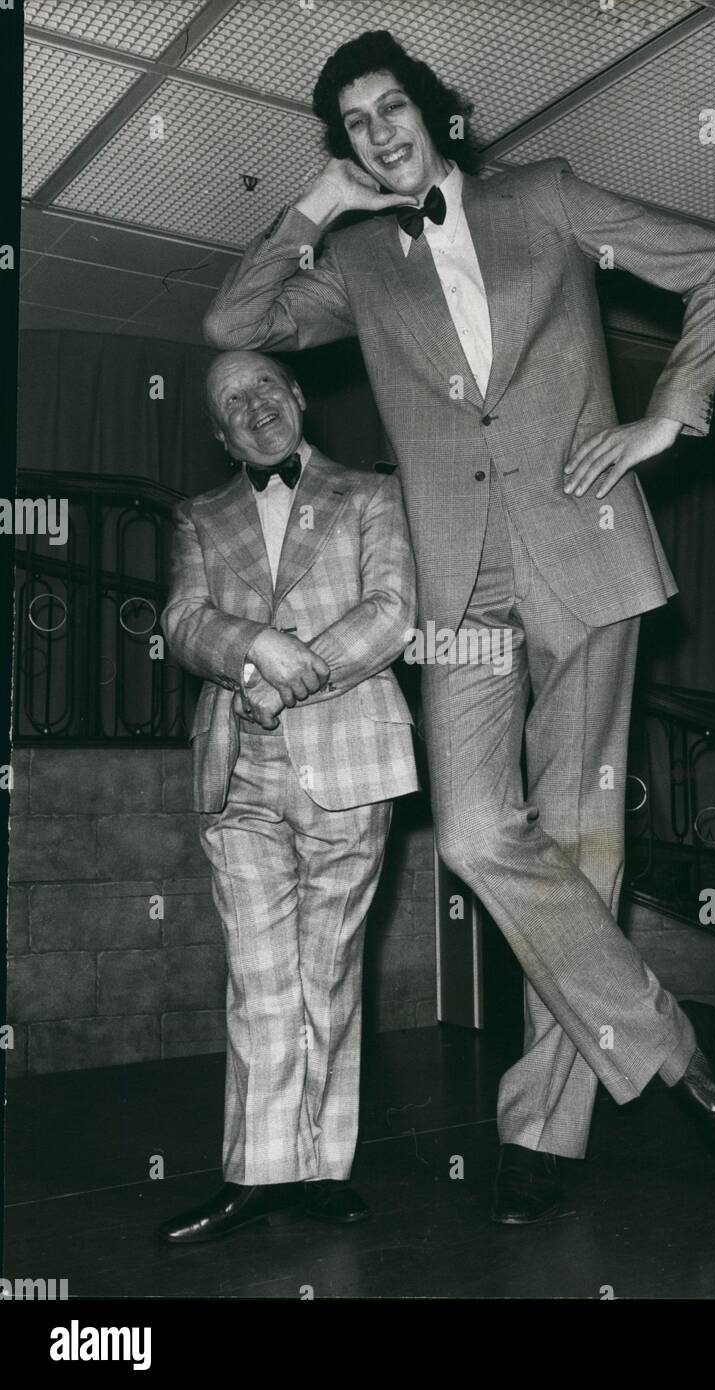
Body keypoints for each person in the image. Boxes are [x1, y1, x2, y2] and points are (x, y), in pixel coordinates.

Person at [203, 30, 715, 1224]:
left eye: (390, 107)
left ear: (436, 112)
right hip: (460, 594)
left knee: (582, 843)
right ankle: (670, 1034)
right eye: (352, 123)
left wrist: (671, 416)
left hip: (589, 557)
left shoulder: (544, 197)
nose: (378, 132)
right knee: (469, 834)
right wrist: (317, 201)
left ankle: (544, 1130)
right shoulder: (357, 261)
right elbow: (234, 319)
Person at [158, 348, 418, 1243]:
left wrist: (292, 678)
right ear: (220, 432)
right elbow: (184, 622)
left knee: (329, 972)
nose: (256, 403)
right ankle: (258, 1172)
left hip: (351, 762)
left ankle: (320, 1167)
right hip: (238, 769)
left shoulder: (373, 494)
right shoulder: (198, 516)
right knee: (259, 979)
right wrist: (252, 648)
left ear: (299, 395)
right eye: (235, 398)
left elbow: (391, 612)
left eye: (267, 384)